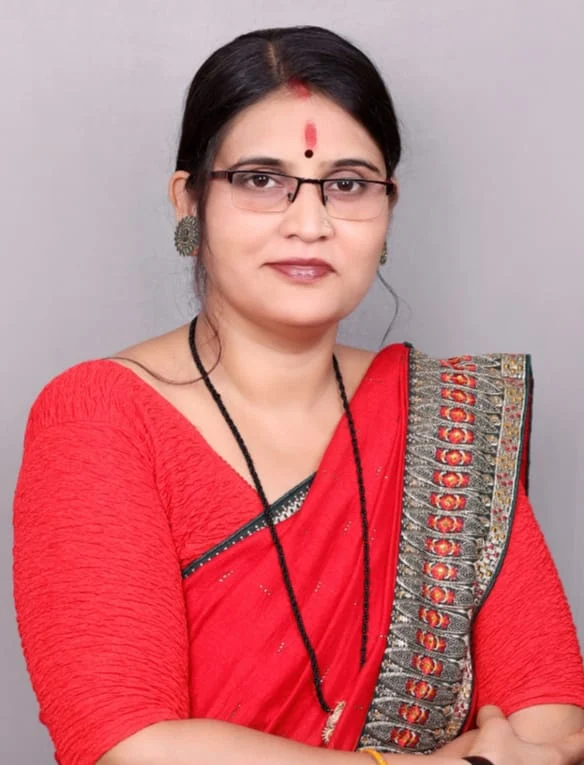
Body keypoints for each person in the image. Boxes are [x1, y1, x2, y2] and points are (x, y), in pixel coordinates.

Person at [12, 24, 584, 765]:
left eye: (347, 185)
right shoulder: (101, 418)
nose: (309, 225)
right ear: (189, 200)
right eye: (260, 180)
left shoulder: (449, 419)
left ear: (388, 208)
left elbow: (551, 724)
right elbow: (126, 743)